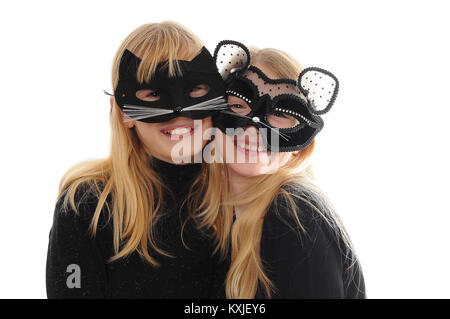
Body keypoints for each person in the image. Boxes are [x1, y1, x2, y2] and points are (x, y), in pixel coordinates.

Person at [46, 21, 228, 298]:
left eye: (195, 90)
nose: (179, 111)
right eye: (154, 94)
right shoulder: (87, 205)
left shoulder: (239, 195)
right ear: (123, 113)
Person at [188, 40, 366, 298]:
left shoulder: (295, 215)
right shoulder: (204, 211)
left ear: (300, 146)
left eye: (281, 115)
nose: (252, 129)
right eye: (239, 105)